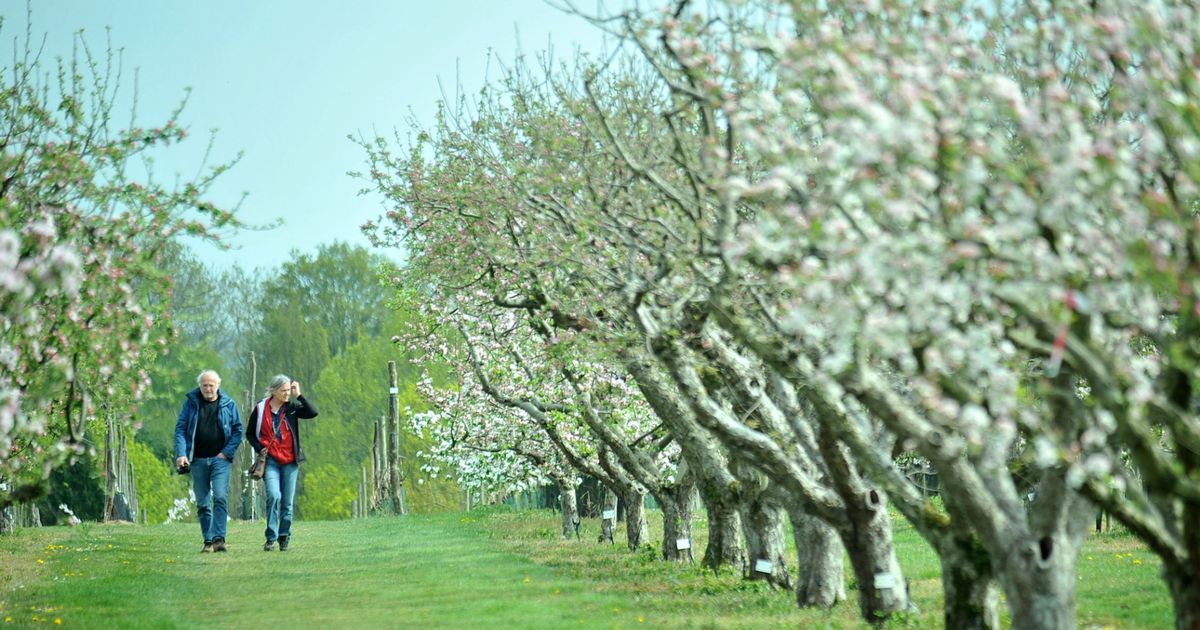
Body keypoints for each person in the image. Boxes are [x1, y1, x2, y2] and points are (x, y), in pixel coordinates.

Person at [246, 374, 317, 551]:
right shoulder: (261, 408)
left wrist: (299, 395)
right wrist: (259, 448)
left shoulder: (291, 408)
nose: (287, 394)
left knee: (287, 502)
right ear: (273, 390)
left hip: (290, 461)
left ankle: (284, 536)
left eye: (288, 390)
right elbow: (250, 433)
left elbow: (312, 412)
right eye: (283, 391)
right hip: (271, 461)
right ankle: (271, 537)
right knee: (274, 495)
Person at [174, 369, 242, 553]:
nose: (208, 389)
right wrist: (181, 454)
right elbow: (180, 429)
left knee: (220, 496)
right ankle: (208, 540)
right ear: (200, 386)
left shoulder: (229, 404)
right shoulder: (191, 404)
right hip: (198, 460)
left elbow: (238, 431)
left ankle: (219, 538)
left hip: (220, 460)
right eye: (204, 385)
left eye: (211, 385)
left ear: (218, 386)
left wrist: (226, 453)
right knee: (203, 502)